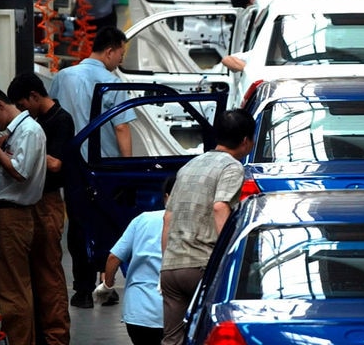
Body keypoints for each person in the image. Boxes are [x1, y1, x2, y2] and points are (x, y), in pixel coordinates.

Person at [50, 26, 136, 307]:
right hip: (105, 169)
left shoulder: (63, 76)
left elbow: (52, 115)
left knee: (77, 226)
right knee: (108, 224)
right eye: (120, 55)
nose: (119, 62)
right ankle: (106, 287)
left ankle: (82, 290)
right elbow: (122, 128)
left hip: (73, 165)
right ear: (109, 51)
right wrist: (127, 169)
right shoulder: (113, 83)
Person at [160, 109, 255, 345]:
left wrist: (166, 262)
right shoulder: (232, 167)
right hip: (202, 266)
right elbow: (220, 207)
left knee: (172, 339)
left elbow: (168, 218)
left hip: (171, 268)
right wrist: (231, 255)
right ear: (245, 141)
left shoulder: (189, 166)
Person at [0, 86, 47, 345]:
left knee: (13, 290)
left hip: (14, 217)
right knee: (16, 286)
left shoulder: (27, 131)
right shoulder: (19, 131)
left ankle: (20, 341)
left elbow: (20, 172)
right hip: (13, 215)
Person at [7, 72, 73, 341]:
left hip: (48, 202)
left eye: (22, 105)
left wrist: (25, 152)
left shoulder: (60, 120)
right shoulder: (34, 121)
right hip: (31, 201)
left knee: (49, 274)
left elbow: (56, 163)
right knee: (33, 274)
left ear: (35, 96)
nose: (21, 112)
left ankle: (56, 337)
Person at [94, 176, 176, 345]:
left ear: (166, 197)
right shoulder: (199, 224)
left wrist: (107, 286)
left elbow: (114, 257)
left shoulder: (142, 219)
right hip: (175, 314)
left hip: (138, 313)